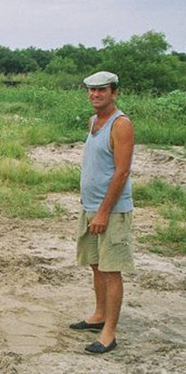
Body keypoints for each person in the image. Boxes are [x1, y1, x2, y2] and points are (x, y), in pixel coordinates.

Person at [70, 71, 134, 354]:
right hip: (91, 207)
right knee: (96, 265)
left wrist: (104, 212)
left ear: (114, 92)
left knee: (111, 270)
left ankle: (110, 334)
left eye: (102, 90)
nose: (95, 95)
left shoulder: (121, 125)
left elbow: (122, 172)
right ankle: (99, 316)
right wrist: (91, 208)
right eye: (91, 90)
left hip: (111, 211)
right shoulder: (94, 121)